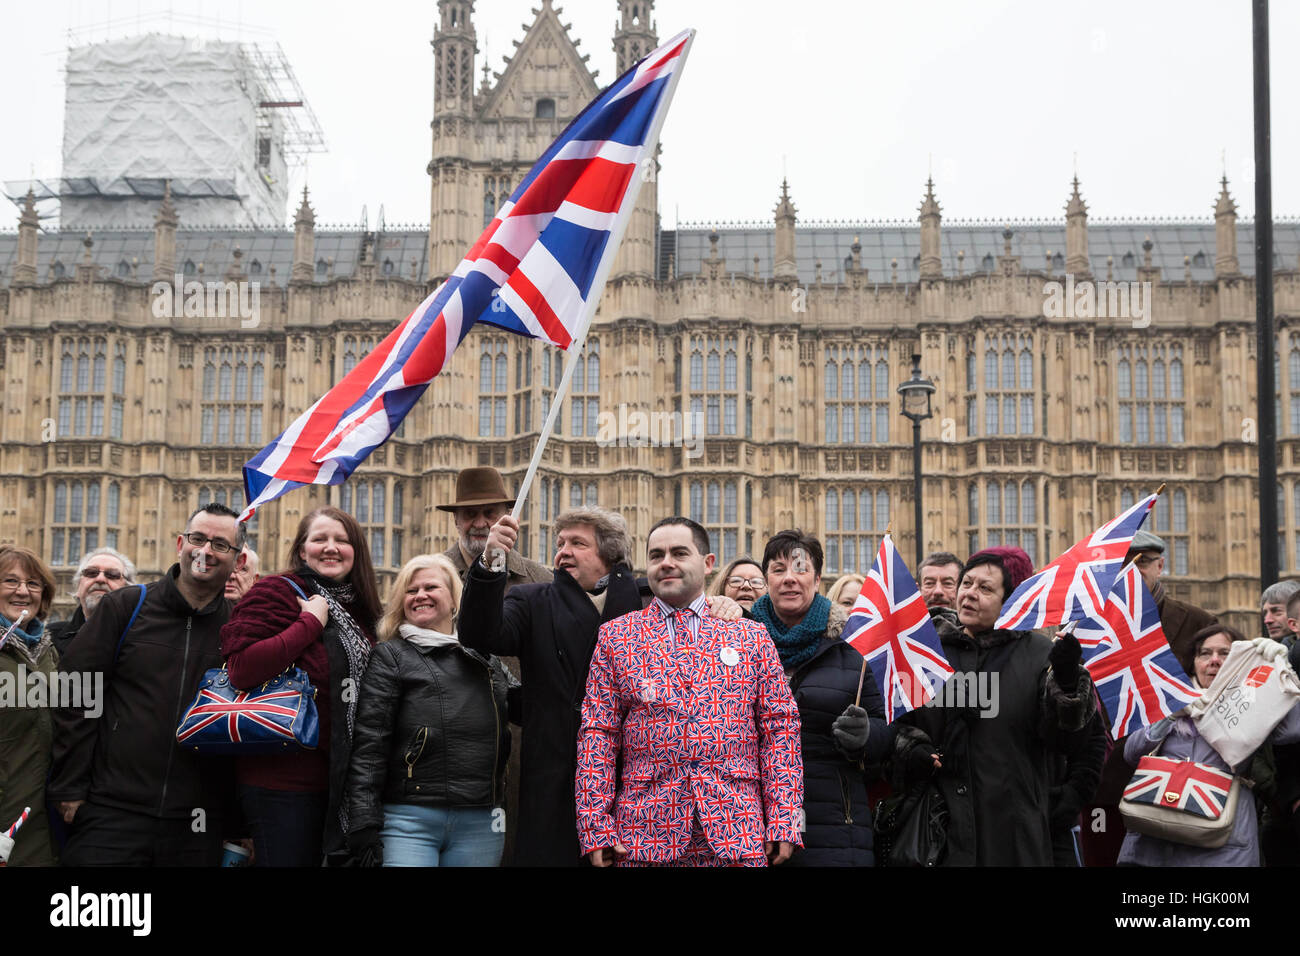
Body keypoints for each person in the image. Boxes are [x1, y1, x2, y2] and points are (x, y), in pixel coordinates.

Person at [575, 518, 803, 866]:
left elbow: (780, 730)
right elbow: (599, 734)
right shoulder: (616, 637)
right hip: (644, 833)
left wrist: (785, 820)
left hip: (737, 832)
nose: (666, 562)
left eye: (679, 553)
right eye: (656, 555)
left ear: (708, 563)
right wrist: (594, 825)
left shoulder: (751, 636)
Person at [49, 503, 243, 866]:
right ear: (180, 544)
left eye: (220, 545)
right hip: (112, 811)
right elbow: (75, 691)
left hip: (197, 821)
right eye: (197, 539)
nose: (205, 551)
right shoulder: (126, 606)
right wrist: (70, 787)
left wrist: (235, 820)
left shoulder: (239, 628)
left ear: (238, 561)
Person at [458, 506, 643, 866]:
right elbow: (480, 633)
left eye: (578, 543)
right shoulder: (532, 600)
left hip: (629, 782)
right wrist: (492, 558)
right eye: (559, 543)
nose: (563, 551)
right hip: (552, 776)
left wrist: (727, 604)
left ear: (610, 554)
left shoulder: (646, 602)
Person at [891, 546, 1097, 866]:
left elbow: (1066, 742)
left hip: (1013, 834)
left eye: (985, 588)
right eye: (968, 583)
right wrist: (911, 747)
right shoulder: (930, 653)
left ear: (1011, 599)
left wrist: (1068, 686)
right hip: (940, 835)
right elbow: (900, 722)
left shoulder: (1039, 656)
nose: (970, 594)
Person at [221, 506, 380, 866]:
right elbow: (241, 669)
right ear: (302, 550)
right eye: (319, 539)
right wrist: (309, 622)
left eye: (342, 540)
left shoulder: (359, 609)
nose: (331, 547)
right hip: (283, 782)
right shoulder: (278, 590)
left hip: (336, 783)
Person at [344, 553, 514, 866]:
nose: (420, 595)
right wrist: (364, 818)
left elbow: (528, 707)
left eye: (431, 587)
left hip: (482, 818)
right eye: (411, 591)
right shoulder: (391, 656)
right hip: (409, 818)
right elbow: (370, 742)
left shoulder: (485, 659)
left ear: (454, 600)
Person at [745, 530, 889, 865]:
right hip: (748, 818)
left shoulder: (854, 647)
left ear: (818, 579)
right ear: (766, 578)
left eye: (800, 569)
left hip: (834, 825)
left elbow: (886, 729)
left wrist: (866, 736)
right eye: (778, 570)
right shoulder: (736, 643)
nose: (790, 579)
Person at [1082, 530, 1217, 866]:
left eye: (1142, 562)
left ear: (1161, 565)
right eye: (1124, 562)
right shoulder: (1087, 625)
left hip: (1175, 780)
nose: (1132, 568)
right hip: (1106, 782)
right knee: (1103, 858)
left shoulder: (1198, 622)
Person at [1118, 624, 1300, 866]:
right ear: (1193, 661)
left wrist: (1281, 671)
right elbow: (1131, 753)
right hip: (1157, 837)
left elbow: (1292, 731)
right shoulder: (1169, 697)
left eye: (1225, 653)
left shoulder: (1255, 701)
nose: (1214, 660)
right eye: (1205, 653)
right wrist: (1170, 715)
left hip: (1222, 839)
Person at [0, 547, 58, 865]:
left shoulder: (47, 653)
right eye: (10, 580)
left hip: (41, 824)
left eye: (33, 583)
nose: (22, 591)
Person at [437, 466, 551, 587]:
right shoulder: (431, 576)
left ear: (509, 516)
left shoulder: (541, 581)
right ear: (456, 520)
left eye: (489, 513)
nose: (480, 524)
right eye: (470, 514)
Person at [47, 547, 135, 658]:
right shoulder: (47, 639)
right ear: (78, 586)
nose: (100, 579)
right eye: (91, 572)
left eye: (112, 575)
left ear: (129, 590)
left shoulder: (144, 641)